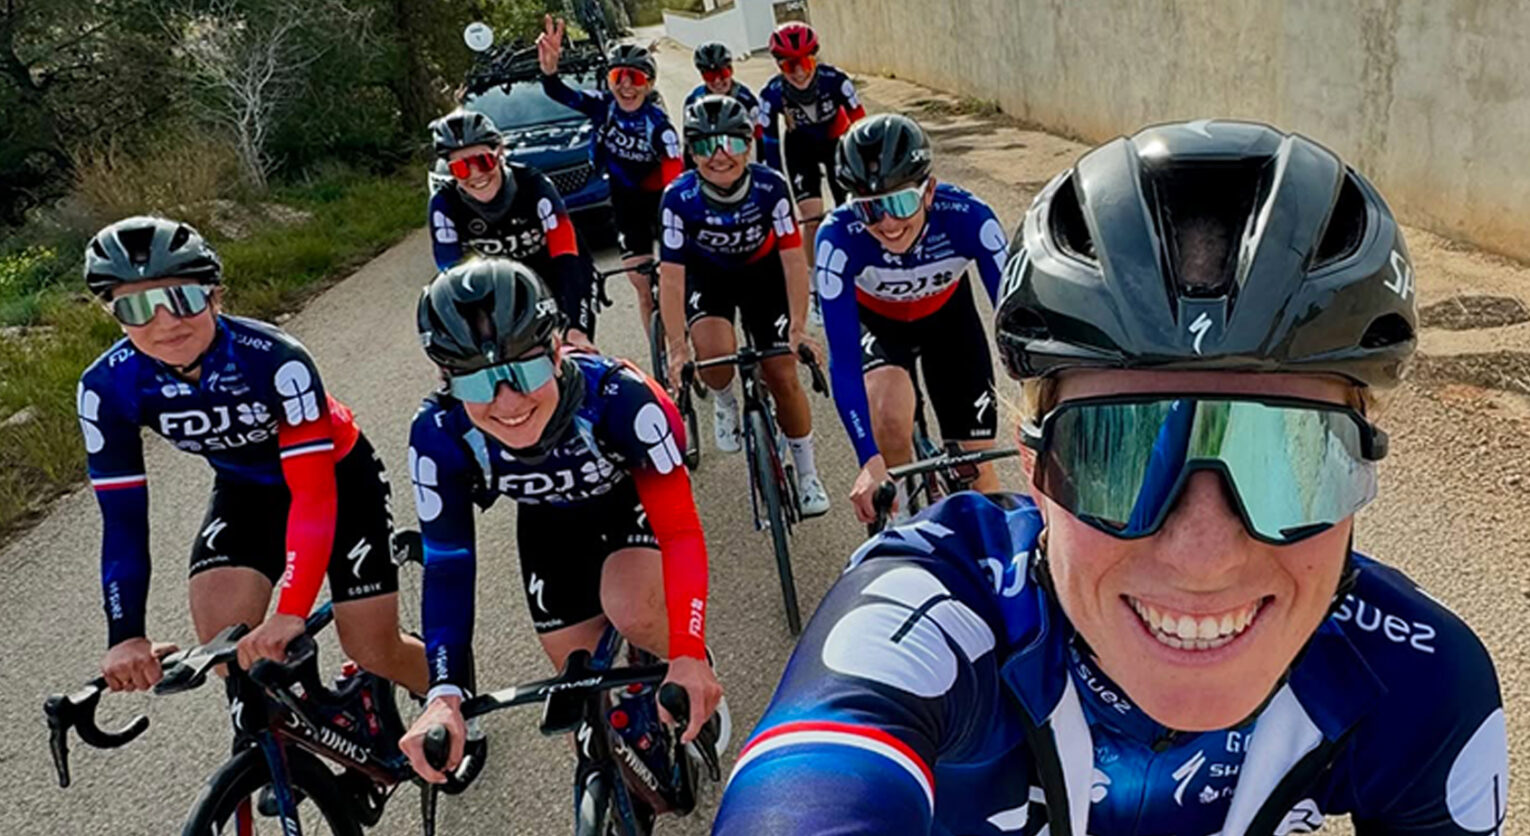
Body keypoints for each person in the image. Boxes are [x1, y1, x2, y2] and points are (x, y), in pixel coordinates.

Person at [713, 120, 1508, 835]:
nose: (1203, 557)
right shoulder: (932, 614)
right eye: (1116, 454)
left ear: (1362, 466)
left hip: (950, 328)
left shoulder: (1423, 681)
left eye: (1287, 459)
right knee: (892, 406)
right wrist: (871, 456)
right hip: (890, 339)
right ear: (1033, 467)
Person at [398, 260, 724, 792]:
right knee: (580, 686)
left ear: (555, 351)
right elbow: (449, 563)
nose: (508, 402)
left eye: (525, 372)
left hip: (626, 501)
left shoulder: (622, 400)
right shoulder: (438, 434)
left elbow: (681, 532)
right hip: (549, 522)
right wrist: (444, 693)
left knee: (632, 608)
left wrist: (687, 650)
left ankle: (690, 671)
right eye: (477, 381)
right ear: (446, 380)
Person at [78, 216, 426, 697]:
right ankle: (290, 729)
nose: (165, 322)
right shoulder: (106, 388)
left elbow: (313, 493)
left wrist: (291, 610)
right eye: (136, 308)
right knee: (225, 647)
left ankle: (451, 703)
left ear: (214, 297)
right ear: (114, 317)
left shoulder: (274, 358)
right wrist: (126, 635)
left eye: (182, 299)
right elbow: (123, 522)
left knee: (372, 648)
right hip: (246, 489)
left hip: (338, 479)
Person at [817, 114, 1008, 524]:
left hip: (949, 321)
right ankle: (902, 517)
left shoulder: (969, 217)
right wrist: (869, 460)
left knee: (977, 469)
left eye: (901, 202)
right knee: (888, 414)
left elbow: (1014, 319)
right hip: (880, 326)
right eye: (869, 209)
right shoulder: (837, 237)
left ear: (929, 191)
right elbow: (844, 363)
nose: (887, 223)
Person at [658, 94, 830, 516]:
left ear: (749, 145)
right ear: (691, 152)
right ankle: (724, 401)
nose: (720, 156)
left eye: (732, 143)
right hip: (708, 278)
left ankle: (807, 474)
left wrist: (799, 328)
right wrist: (677, 348)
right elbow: (672, 279)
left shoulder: (772, 187)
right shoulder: (677, 197)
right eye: (705, 145)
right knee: (715, 355)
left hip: (764, 276)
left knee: (782, 373)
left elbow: (794, 260)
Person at [536, 16, 683, 337]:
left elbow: (675, 175)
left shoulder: (659, 126)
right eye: (618, 77)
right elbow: (562, 94)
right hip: (625, 201)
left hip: (661, 200)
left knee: (677, 278)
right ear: (609, 80)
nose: (626, 86)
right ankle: (658, 346)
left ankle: (682, 334)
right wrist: (549, 72)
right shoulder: (602, 107)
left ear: (649, 84)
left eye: (636, 78)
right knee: (641, 285)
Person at [427, 108, 597, 351]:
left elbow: (567, 256)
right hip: (501, 288)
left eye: (483, 161)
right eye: (461, 169)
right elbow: (451, 280)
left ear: (500, 153)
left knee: (572, 351)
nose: (476, 175)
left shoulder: (534, 185)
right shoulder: (444, 203)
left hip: (556, 275)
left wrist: (575, 329)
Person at [758, 22, 865, 265]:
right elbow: (770, 145)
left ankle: (857, 264)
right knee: (811, 218)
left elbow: (861, 126)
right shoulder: (771, 94)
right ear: (779, 65)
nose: (799, 73)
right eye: (789, 66)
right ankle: (814, 277)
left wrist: (864, 162)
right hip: (799, 148)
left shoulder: (836, 80)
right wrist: (775, 187)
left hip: (836, 143)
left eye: (805, 63)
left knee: (850, 211)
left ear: (814, 59)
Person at [684, 42, 762, 137]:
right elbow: (688, 138)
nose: (717, 81)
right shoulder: (693, 102)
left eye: (722, 73)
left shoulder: (747, 100)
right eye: (710, 76)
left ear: (731, 70)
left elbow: (760, 137)